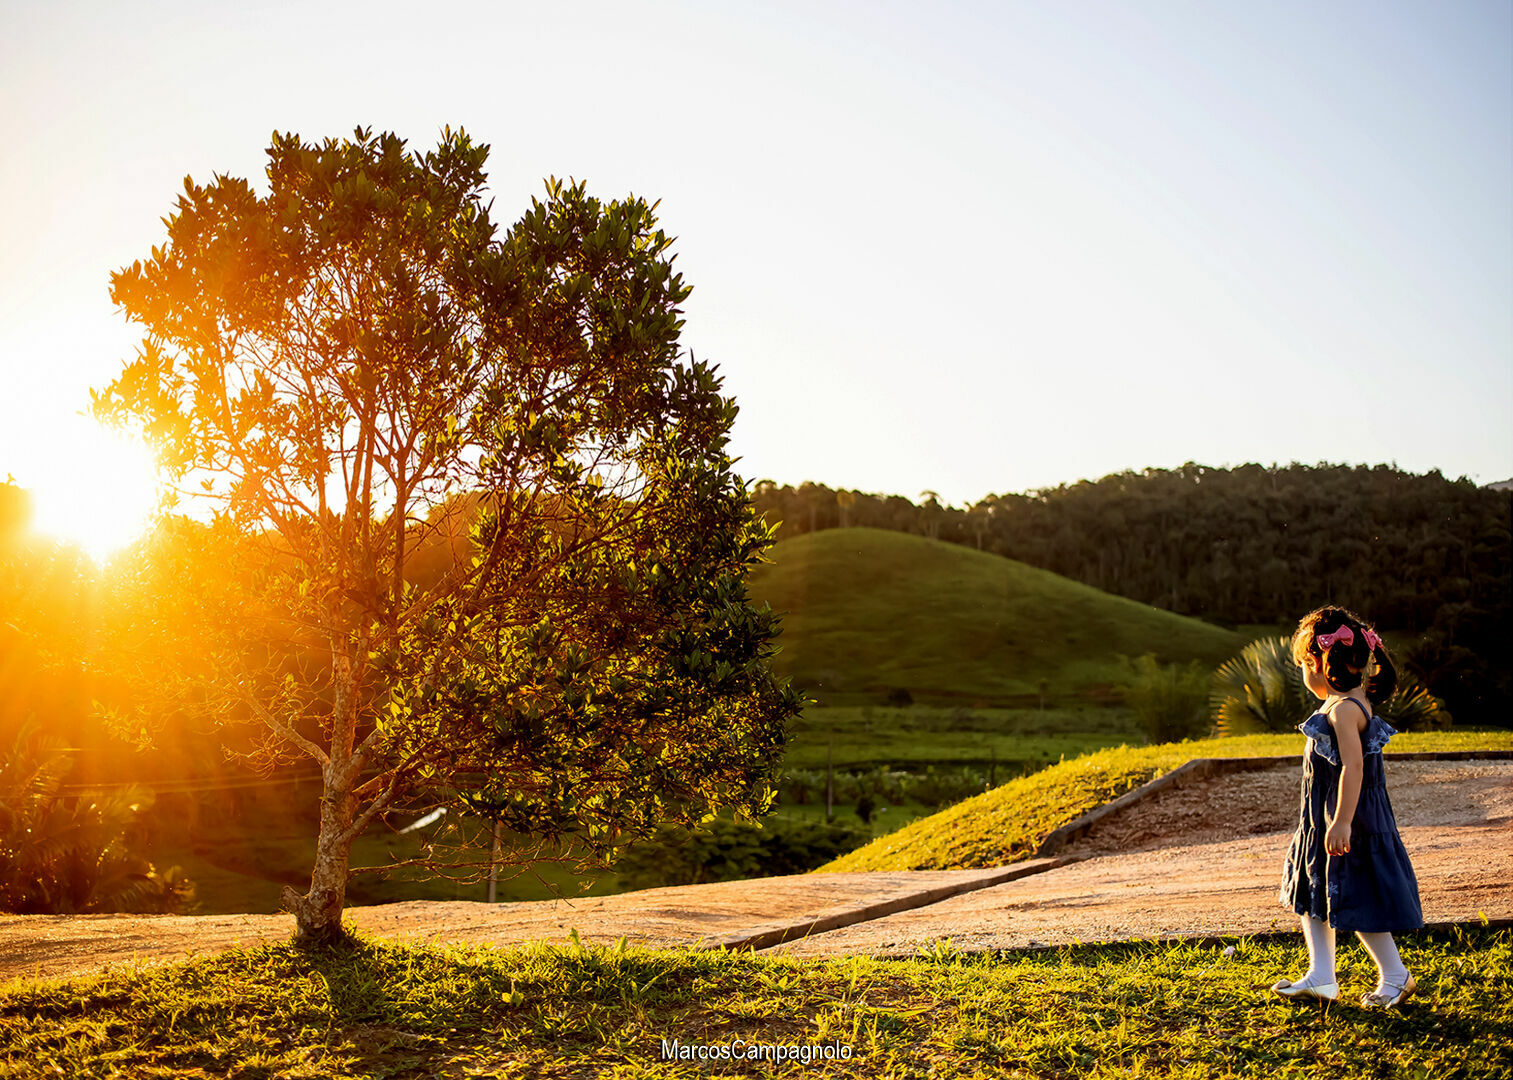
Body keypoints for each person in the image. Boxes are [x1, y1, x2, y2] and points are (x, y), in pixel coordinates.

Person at [1273, 605, 1423, 1008]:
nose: (1304, 674)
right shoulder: (1346, 704)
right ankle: (1321, 976)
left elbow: (1354, 768)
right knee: (1316, 890)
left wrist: (1340, 822)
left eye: (1305, 664)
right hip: (1323, 820)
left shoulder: (1343, 711)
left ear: (1320, 664)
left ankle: (1396, 975)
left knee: (1355, 896)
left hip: (1347, 820)